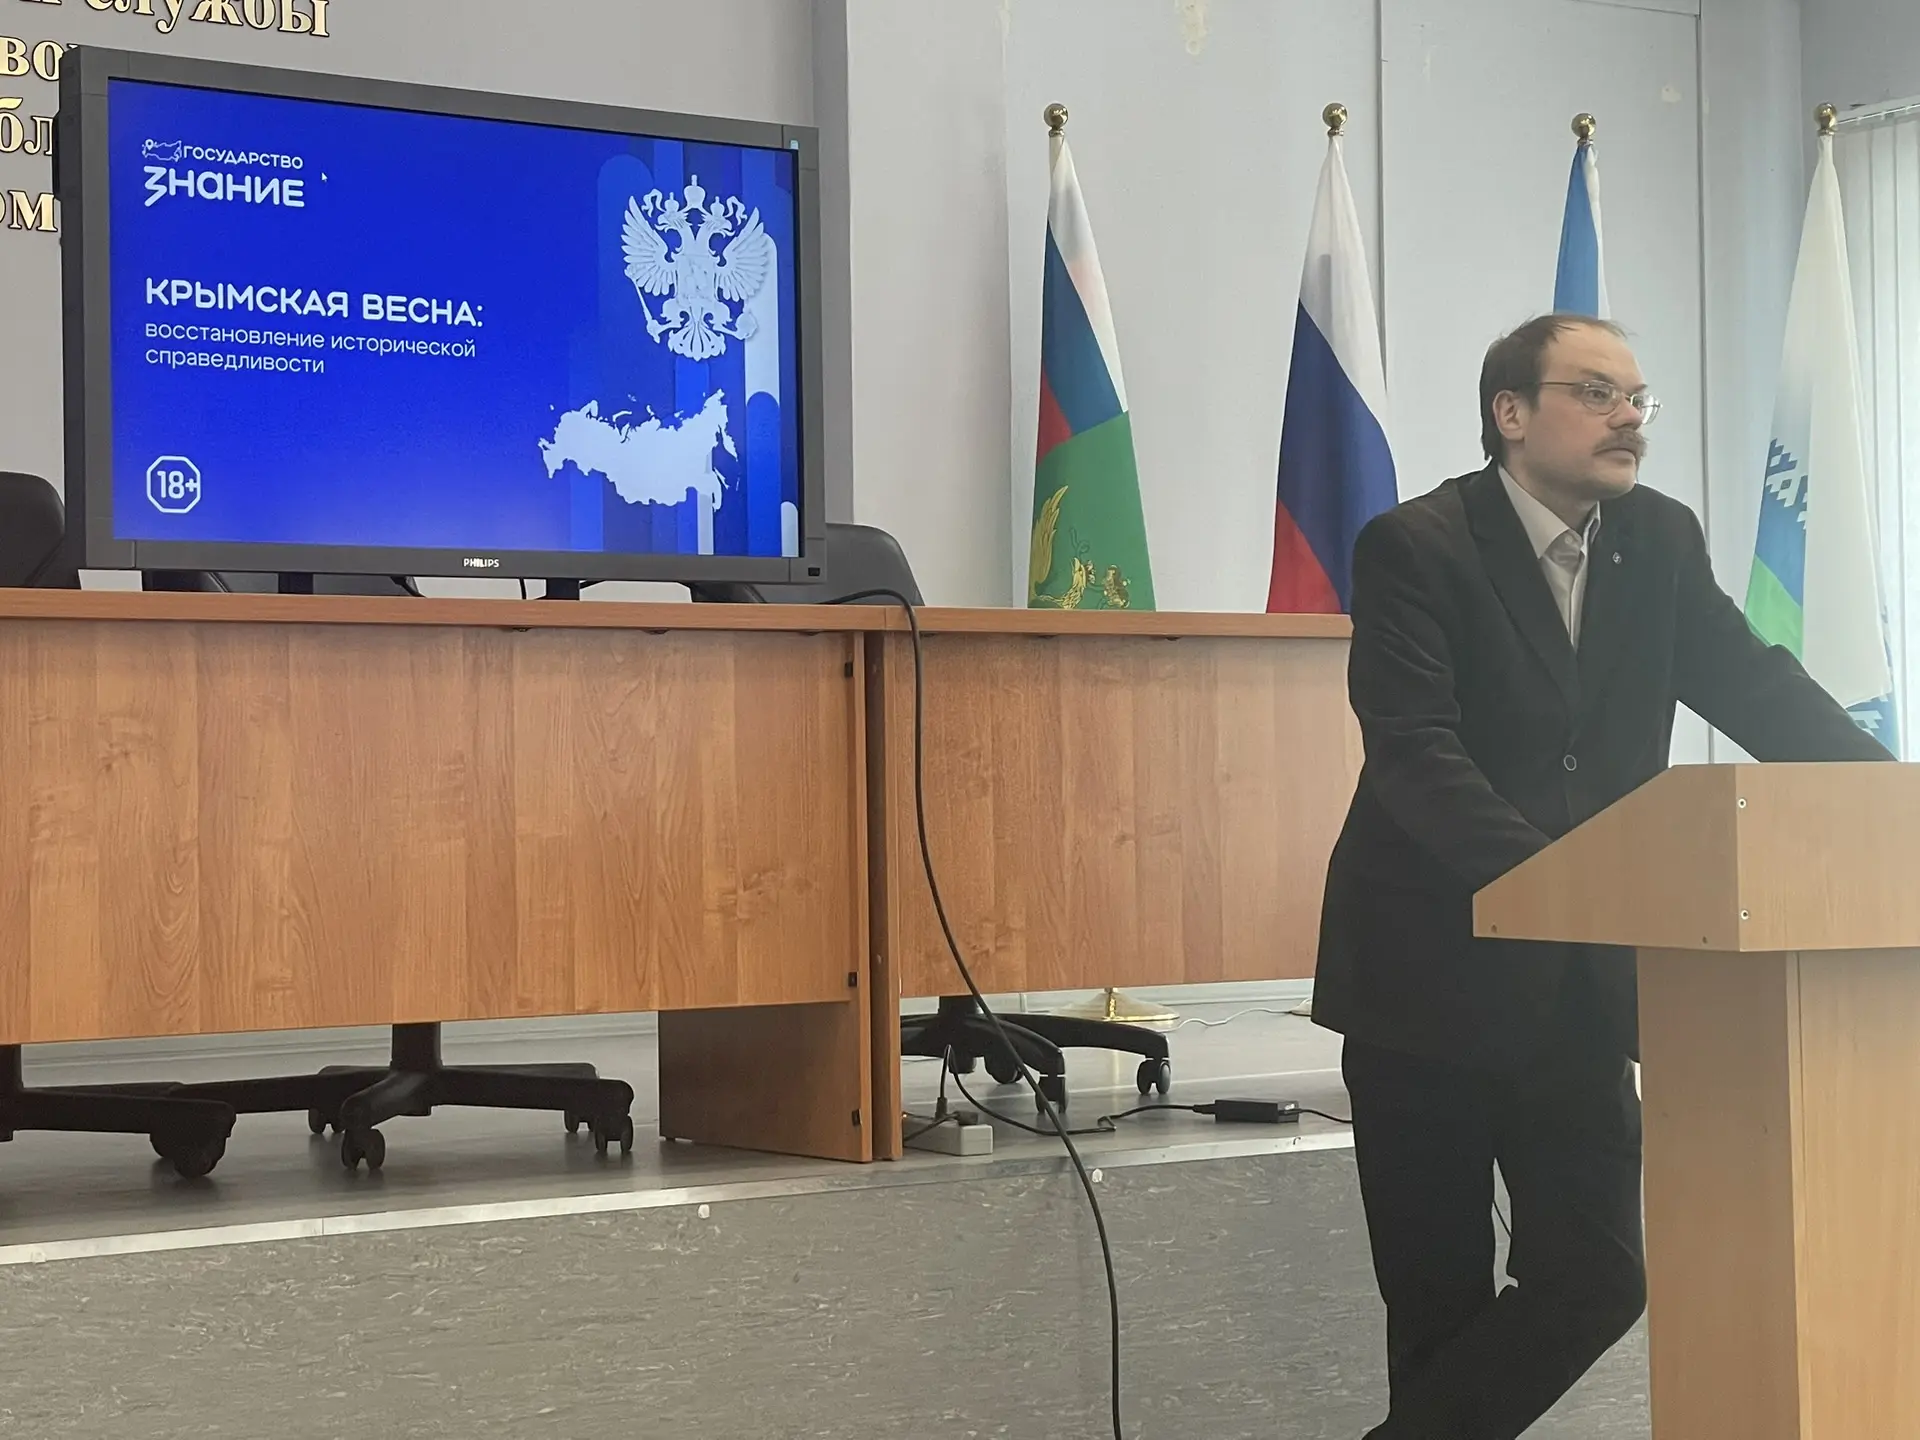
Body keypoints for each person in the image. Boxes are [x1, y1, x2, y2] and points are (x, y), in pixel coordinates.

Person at [1312, 313, 1892, 1440]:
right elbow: (1415, 755)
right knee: (1436, 1301)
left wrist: (1891, 797)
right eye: (1595, 393)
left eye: (1637, 399)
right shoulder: (1415, 546)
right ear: (1511, 413)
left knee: (1599, 1277)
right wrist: (1568, 884)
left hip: (1576, 989)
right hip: (1423, 977)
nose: (1629, 417)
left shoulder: (1657, 539)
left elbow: (1756, 687)